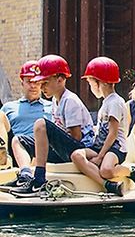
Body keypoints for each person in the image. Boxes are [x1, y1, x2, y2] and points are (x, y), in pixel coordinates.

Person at [3, 54, 95, 194]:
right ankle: (26, 177)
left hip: (79, 148)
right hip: (64, 149)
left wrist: (51, 138)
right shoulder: (55, 101)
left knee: (41, 124)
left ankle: (39, 179)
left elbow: (76, 137)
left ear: (60, 80)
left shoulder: (70, 100)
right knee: (19, 140)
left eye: (45, 83)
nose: (41, 86)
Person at [71, 57, 135, 196]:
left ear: (100, 82)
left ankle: (131, 170)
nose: (90, 87)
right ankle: (108, 185)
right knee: (77, 155)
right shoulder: (105, 102)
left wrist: (100, 157)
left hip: (115, 147)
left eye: (91, 83)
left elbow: (113, 133)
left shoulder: (115, 102)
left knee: (105, 170)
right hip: (101, 146)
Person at [0, 61, 52, 169]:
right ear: (22, 83)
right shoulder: (9, 107)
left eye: (36, 82)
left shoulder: (53, 107)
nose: (33, 86)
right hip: (14, 151)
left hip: (43, 153)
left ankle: (28, 172)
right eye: (29, 81)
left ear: (42, 83)